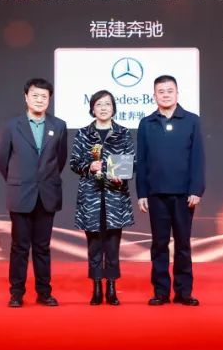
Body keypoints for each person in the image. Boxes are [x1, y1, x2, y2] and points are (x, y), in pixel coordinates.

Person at [0, 78, 68, 307]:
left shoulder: (59, 126)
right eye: (35, 95)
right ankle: (16, 292)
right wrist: (18, 181)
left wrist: (44, 180)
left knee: (42, 247)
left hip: (47, 194)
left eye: (44, 96)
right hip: (20, 194)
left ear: (49, 100)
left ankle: (44, 292)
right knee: (19, 246)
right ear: (26, 97)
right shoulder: (12, 126)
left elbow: (60, 159)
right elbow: (1, 159)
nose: (39, 100)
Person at [135, 75, 205, 306]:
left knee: (183, 244)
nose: (165, 95)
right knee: (159, 244)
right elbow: (142, 161)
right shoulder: (146, 123)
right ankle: (161, 292)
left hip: (184, 194)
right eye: (161, 91)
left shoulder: (191, 121)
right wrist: (142, 193)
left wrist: (196, 189)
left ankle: (184, 292)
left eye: (169, 91)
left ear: (177, 93)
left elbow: (197, 158)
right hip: (156, 194)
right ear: (154, 96)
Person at [70, 90, 135, 305]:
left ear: (113, 108)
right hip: (91, 197)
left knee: (113, 246)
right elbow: (74, 163)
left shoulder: (123, 133)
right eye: (99, 104)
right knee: (94, 245)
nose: (103, 108)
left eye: (107, 104)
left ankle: (112, 287)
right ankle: (97, 286)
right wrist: (89, 166)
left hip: (115, 197)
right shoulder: (83, 133)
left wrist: (122, 176)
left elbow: (132, 161)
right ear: (92, 109)